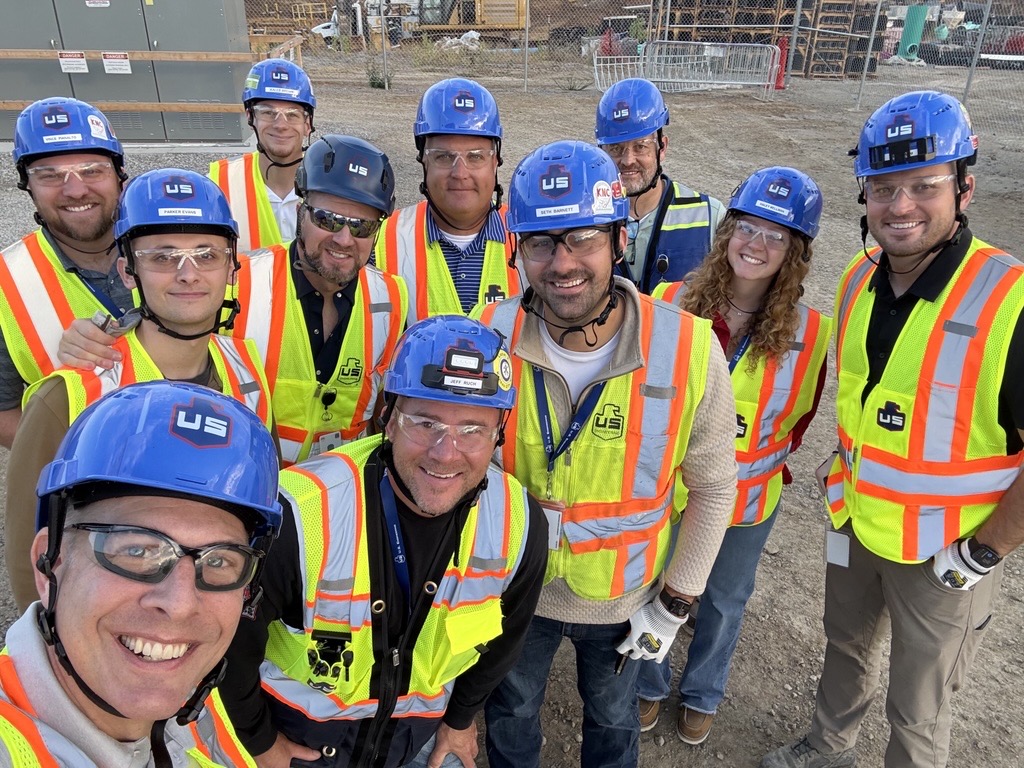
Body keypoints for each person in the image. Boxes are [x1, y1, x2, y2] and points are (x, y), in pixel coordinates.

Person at [761, 90, 1024, 768]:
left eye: (922, 186)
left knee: (919, 702)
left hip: (947, 551)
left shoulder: (1009, 299)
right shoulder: (857, 277)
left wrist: (984, 552)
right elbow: (868, 400)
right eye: (882, 189)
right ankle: (828, 747)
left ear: (964, 187)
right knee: (843, 648)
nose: (899, 206)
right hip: (856, 520)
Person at [473, 140, 737, 768]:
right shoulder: (489, 333)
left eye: (583, 238)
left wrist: (676, 603)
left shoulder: (689, 347)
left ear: (619, 238)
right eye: (541, 242)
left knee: (614, 721)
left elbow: (714, 486)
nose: (562, 263)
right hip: (517, 591)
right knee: (509, 712)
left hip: (627, 598)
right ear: (518, 251)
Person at [219, 315, 548, 768]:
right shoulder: (299, 513)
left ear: (498, 435)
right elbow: (228, 644)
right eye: (426, 422)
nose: (445, 452)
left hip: (413, 742)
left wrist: (461, 719)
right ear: (388, 420)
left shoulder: (519, 522)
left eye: (472, 429)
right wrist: (258, 743)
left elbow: (506, 638)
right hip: (298, 743)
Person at [5, 168, 275, 612]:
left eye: (206, 255)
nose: (188, 275)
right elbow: (27, 554)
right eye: (163, 257)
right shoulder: (68, 398)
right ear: (128, 271)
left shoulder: (246, 370)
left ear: (231, 268)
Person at [58, 135, 408, 467]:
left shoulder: (392, 298)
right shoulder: (237, 281)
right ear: (300, 211)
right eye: (327, 219)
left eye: (362, 226)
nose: (344, 238)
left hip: (339, 494)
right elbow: (158, 297)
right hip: (252, 486)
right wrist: (97, 328)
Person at [635, 167, 830, 745]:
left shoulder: (811, 333)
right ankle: (646, 682)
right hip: (672, 490)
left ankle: (701, 693)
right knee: (657, 584)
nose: (756, 244)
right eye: (746, 227)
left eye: (775, 236)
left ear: (794, 253)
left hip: (748, 497)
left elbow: (801, 420)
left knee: (723, 601)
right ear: (726, 234)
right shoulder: (670, 303)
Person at [0, 380, 282, 767]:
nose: (181, 605)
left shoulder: (197, 703)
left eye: (219, 560)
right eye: (137, 550)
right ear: (48, 566)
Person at [0, 97, 131, 448]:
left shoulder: (170, 248)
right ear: (27, 186)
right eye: (50, 176)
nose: (75, 190)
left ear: (119, 175)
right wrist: (78, 455)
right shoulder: (7, 282)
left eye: (92, 170)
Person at [374, 78, 523, 325]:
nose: (460, 172)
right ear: (423, 161)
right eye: (443, 156)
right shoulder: (381, 241)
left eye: (475, 157)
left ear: (496, 161)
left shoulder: (531, 240)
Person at [594, 78, 725, 295]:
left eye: (640, 146)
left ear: (662, 148)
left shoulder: (709, 216)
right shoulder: (586, 216)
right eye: (615, 148)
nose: (627, 160)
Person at [209, 58, 316, 250]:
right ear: (251, 117)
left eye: (292, 114)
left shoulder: (332, 184)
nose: (281, 125)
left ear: (307, 124)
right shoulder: (218, 185)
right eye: (267, 112)